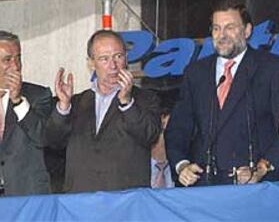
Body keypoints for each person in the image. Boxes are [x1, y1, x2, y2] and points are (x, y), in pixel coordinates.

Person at [165, 0, 279, 187]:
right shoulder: (196, 72)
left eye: (230, 28)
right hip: (202, 187)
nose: (222, 35)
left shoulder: (272, 69)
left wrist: (263, 168)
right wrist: (182, 165)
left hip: (252, 186)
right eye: (216, 28)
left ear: (247, 31)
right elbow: (178, 128)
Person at [46, 30, 161, 193]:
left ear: (126, 59)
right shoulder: (76, 102)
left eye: (118, 56)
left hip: (126, 203)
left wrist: (127, 103)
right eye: (104, 59)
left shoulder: (145, 99)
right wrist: (63, 106)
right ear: (91, 63)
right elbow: (53, 142)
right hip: (80, 202)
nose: (113, 66)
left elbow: (150, 135)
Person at [0, 31, 52, 196]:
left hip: (25, 197)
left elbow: (44, 138)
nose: (15, 66)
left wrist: (18, 101)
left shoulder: (38, 95)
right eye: (7, 60)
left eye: (18, 58)